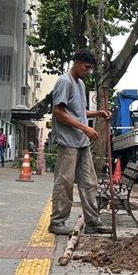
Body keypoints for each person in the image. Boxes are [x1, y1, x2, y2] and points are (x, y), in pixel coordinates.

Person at [48, 49, 111, 236]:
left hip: (82, 142)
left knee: (89, 182)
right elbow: (58, 112)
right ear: (76, 62)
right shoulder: (64, 82)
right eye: (86, 67)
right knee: (65, 182)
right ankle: (57, 222)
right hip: (68, 142)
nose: (88, 71)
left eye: (91, 68)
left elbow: (79, 112)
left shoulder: (80, 84)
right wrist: (84, 128)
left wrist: (98, 113)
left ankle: (92, 221)